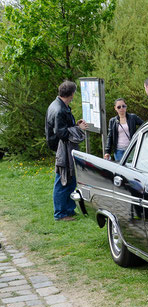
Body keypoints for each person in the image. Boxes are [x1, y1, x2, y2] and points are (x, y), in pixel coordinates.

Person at [45, 80, 88, 221]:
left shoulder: (58, 105)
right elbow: (62, 133)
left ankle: (68, 210)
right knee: (62, 179)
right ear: (71, 94)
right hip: (62, 149)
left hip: (63, 148)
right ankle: (60, 214)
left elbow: (63, 128)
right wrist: (78, 129)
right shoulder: (59, 109)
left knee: (70, 178)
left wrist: (75, 125)